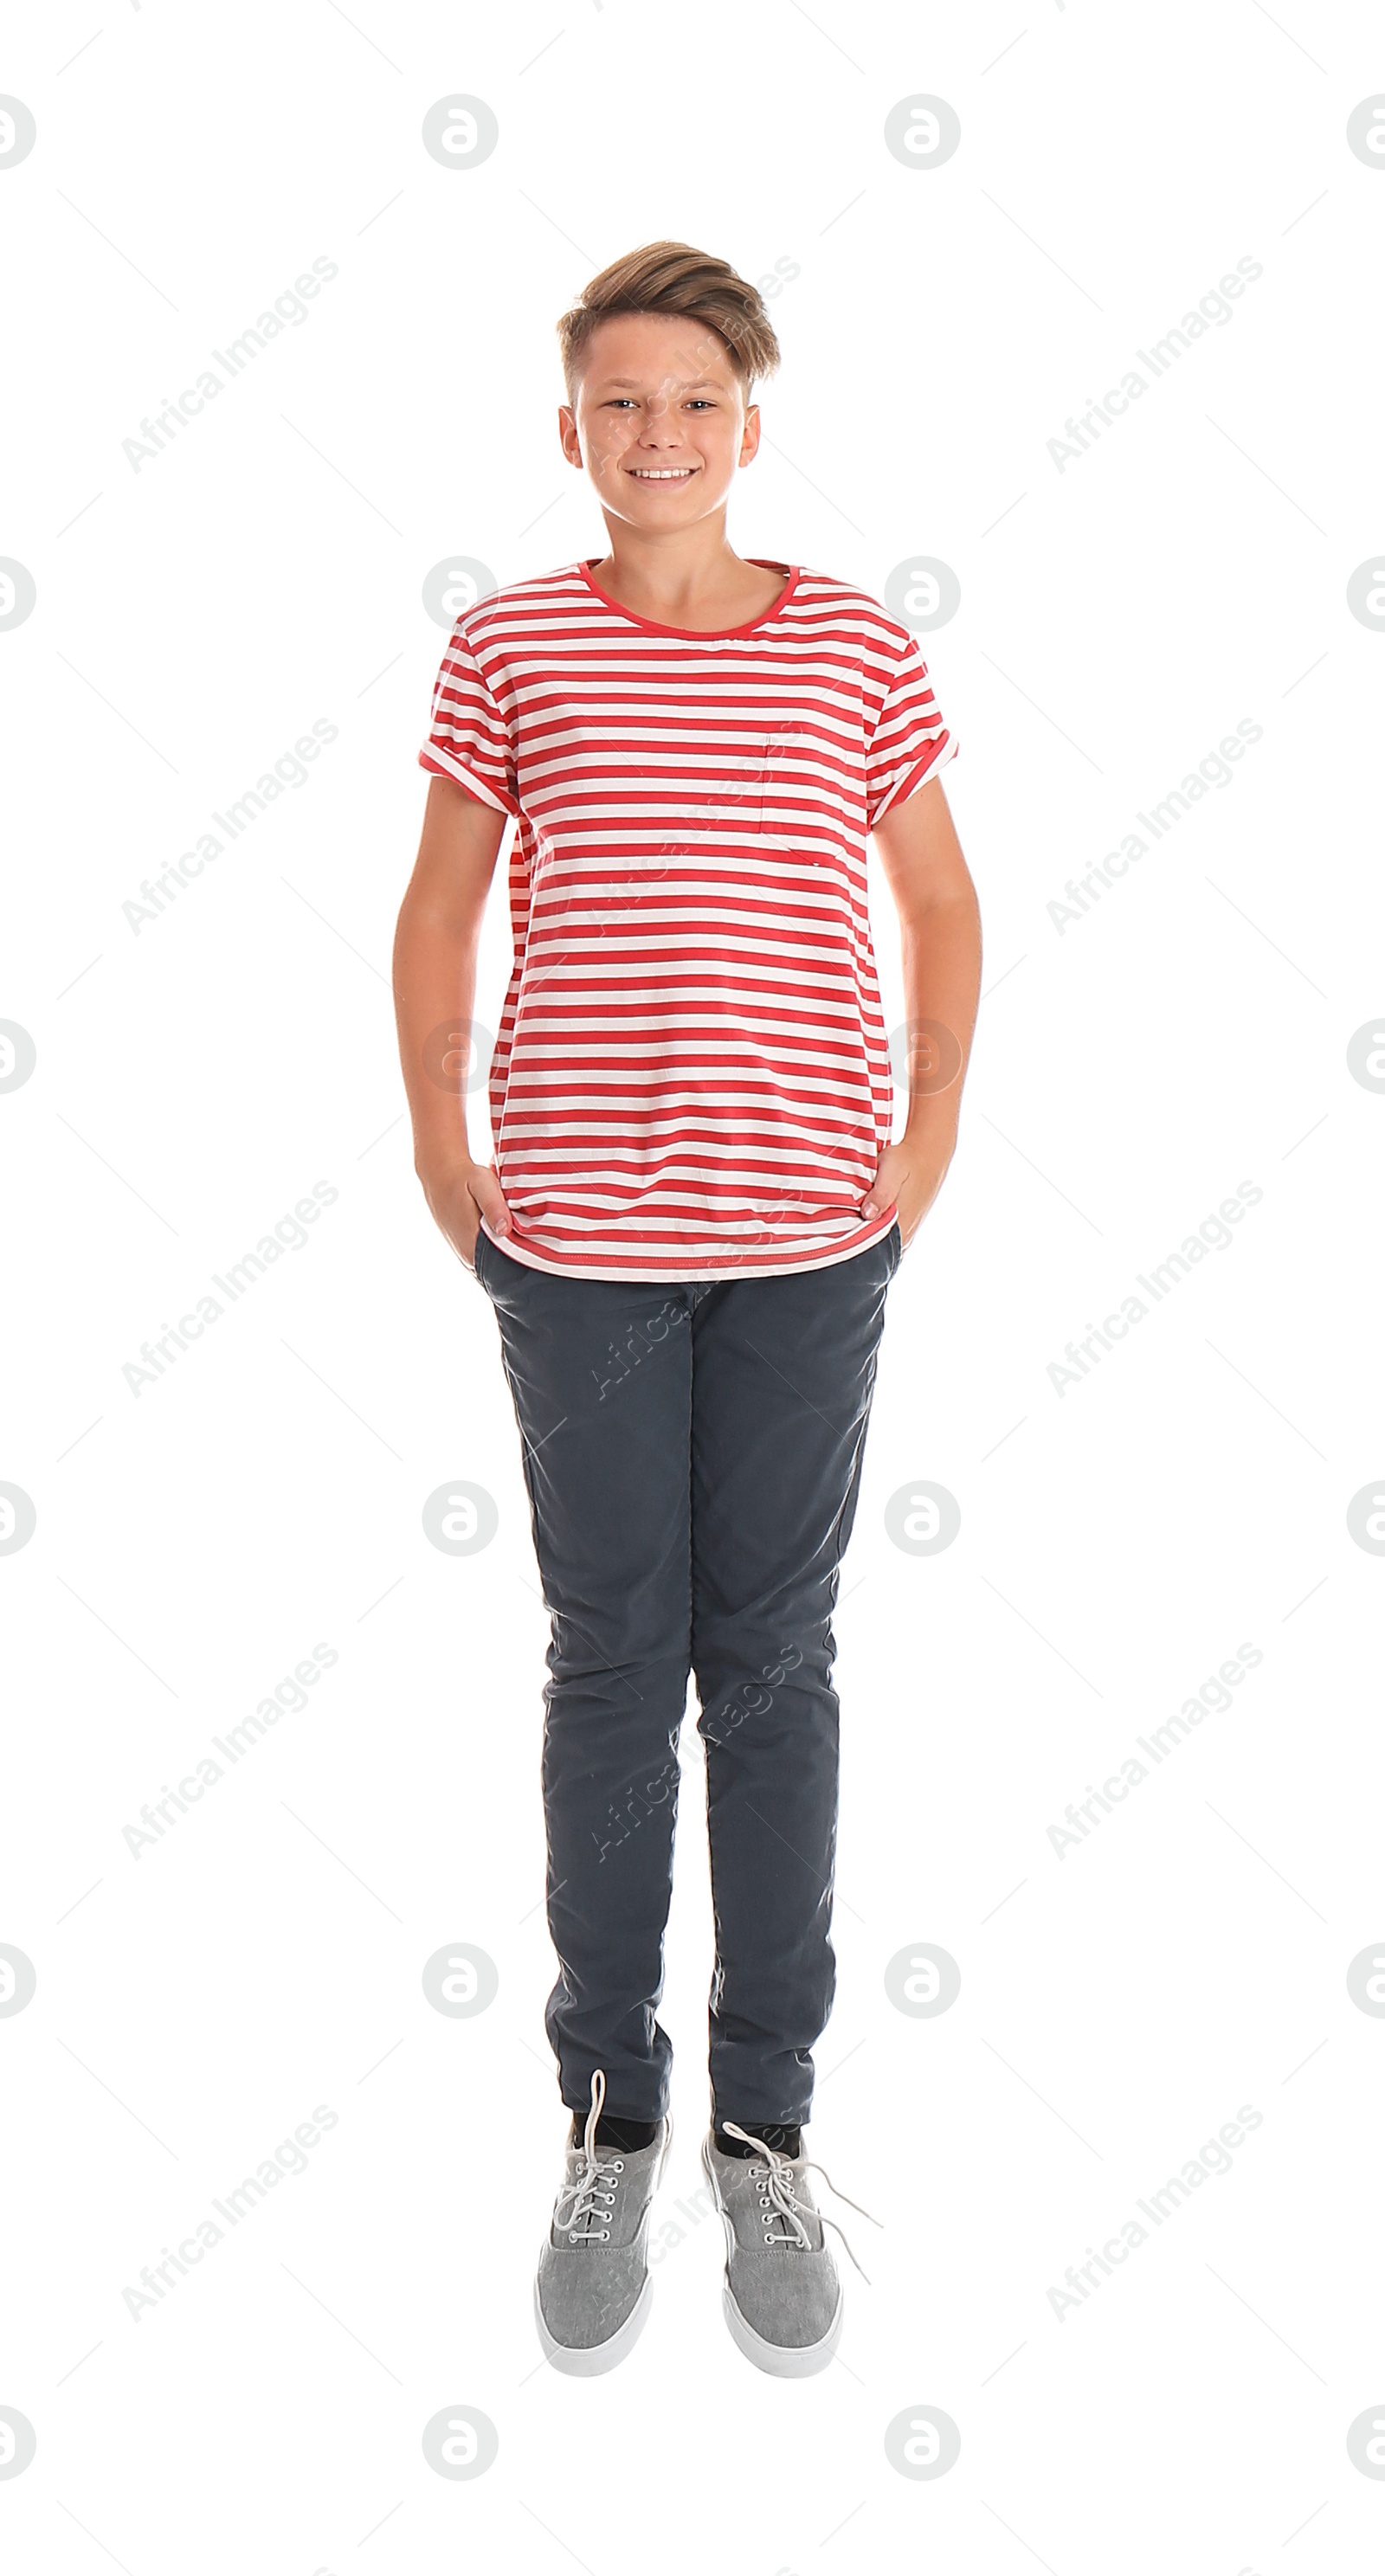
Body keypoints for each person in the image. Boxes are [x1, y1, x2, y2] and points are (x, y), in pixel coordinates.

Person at [392, 239, 982, 2377]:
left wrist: (919, 1146)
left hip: (813, 1240)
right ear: (572, 429)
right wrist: (441, 1146)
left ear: (750, 425)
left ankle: (766, 2118)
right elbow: (441, 904)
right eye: (620, 404)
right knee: (607, 1657)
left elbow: (933, 893)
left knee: (775, 1662)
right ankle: (609, 2103)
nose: (658, 437)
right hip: (573, 1253)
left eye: (696, 406)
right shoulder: (506, 648)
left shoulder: (848, 652)